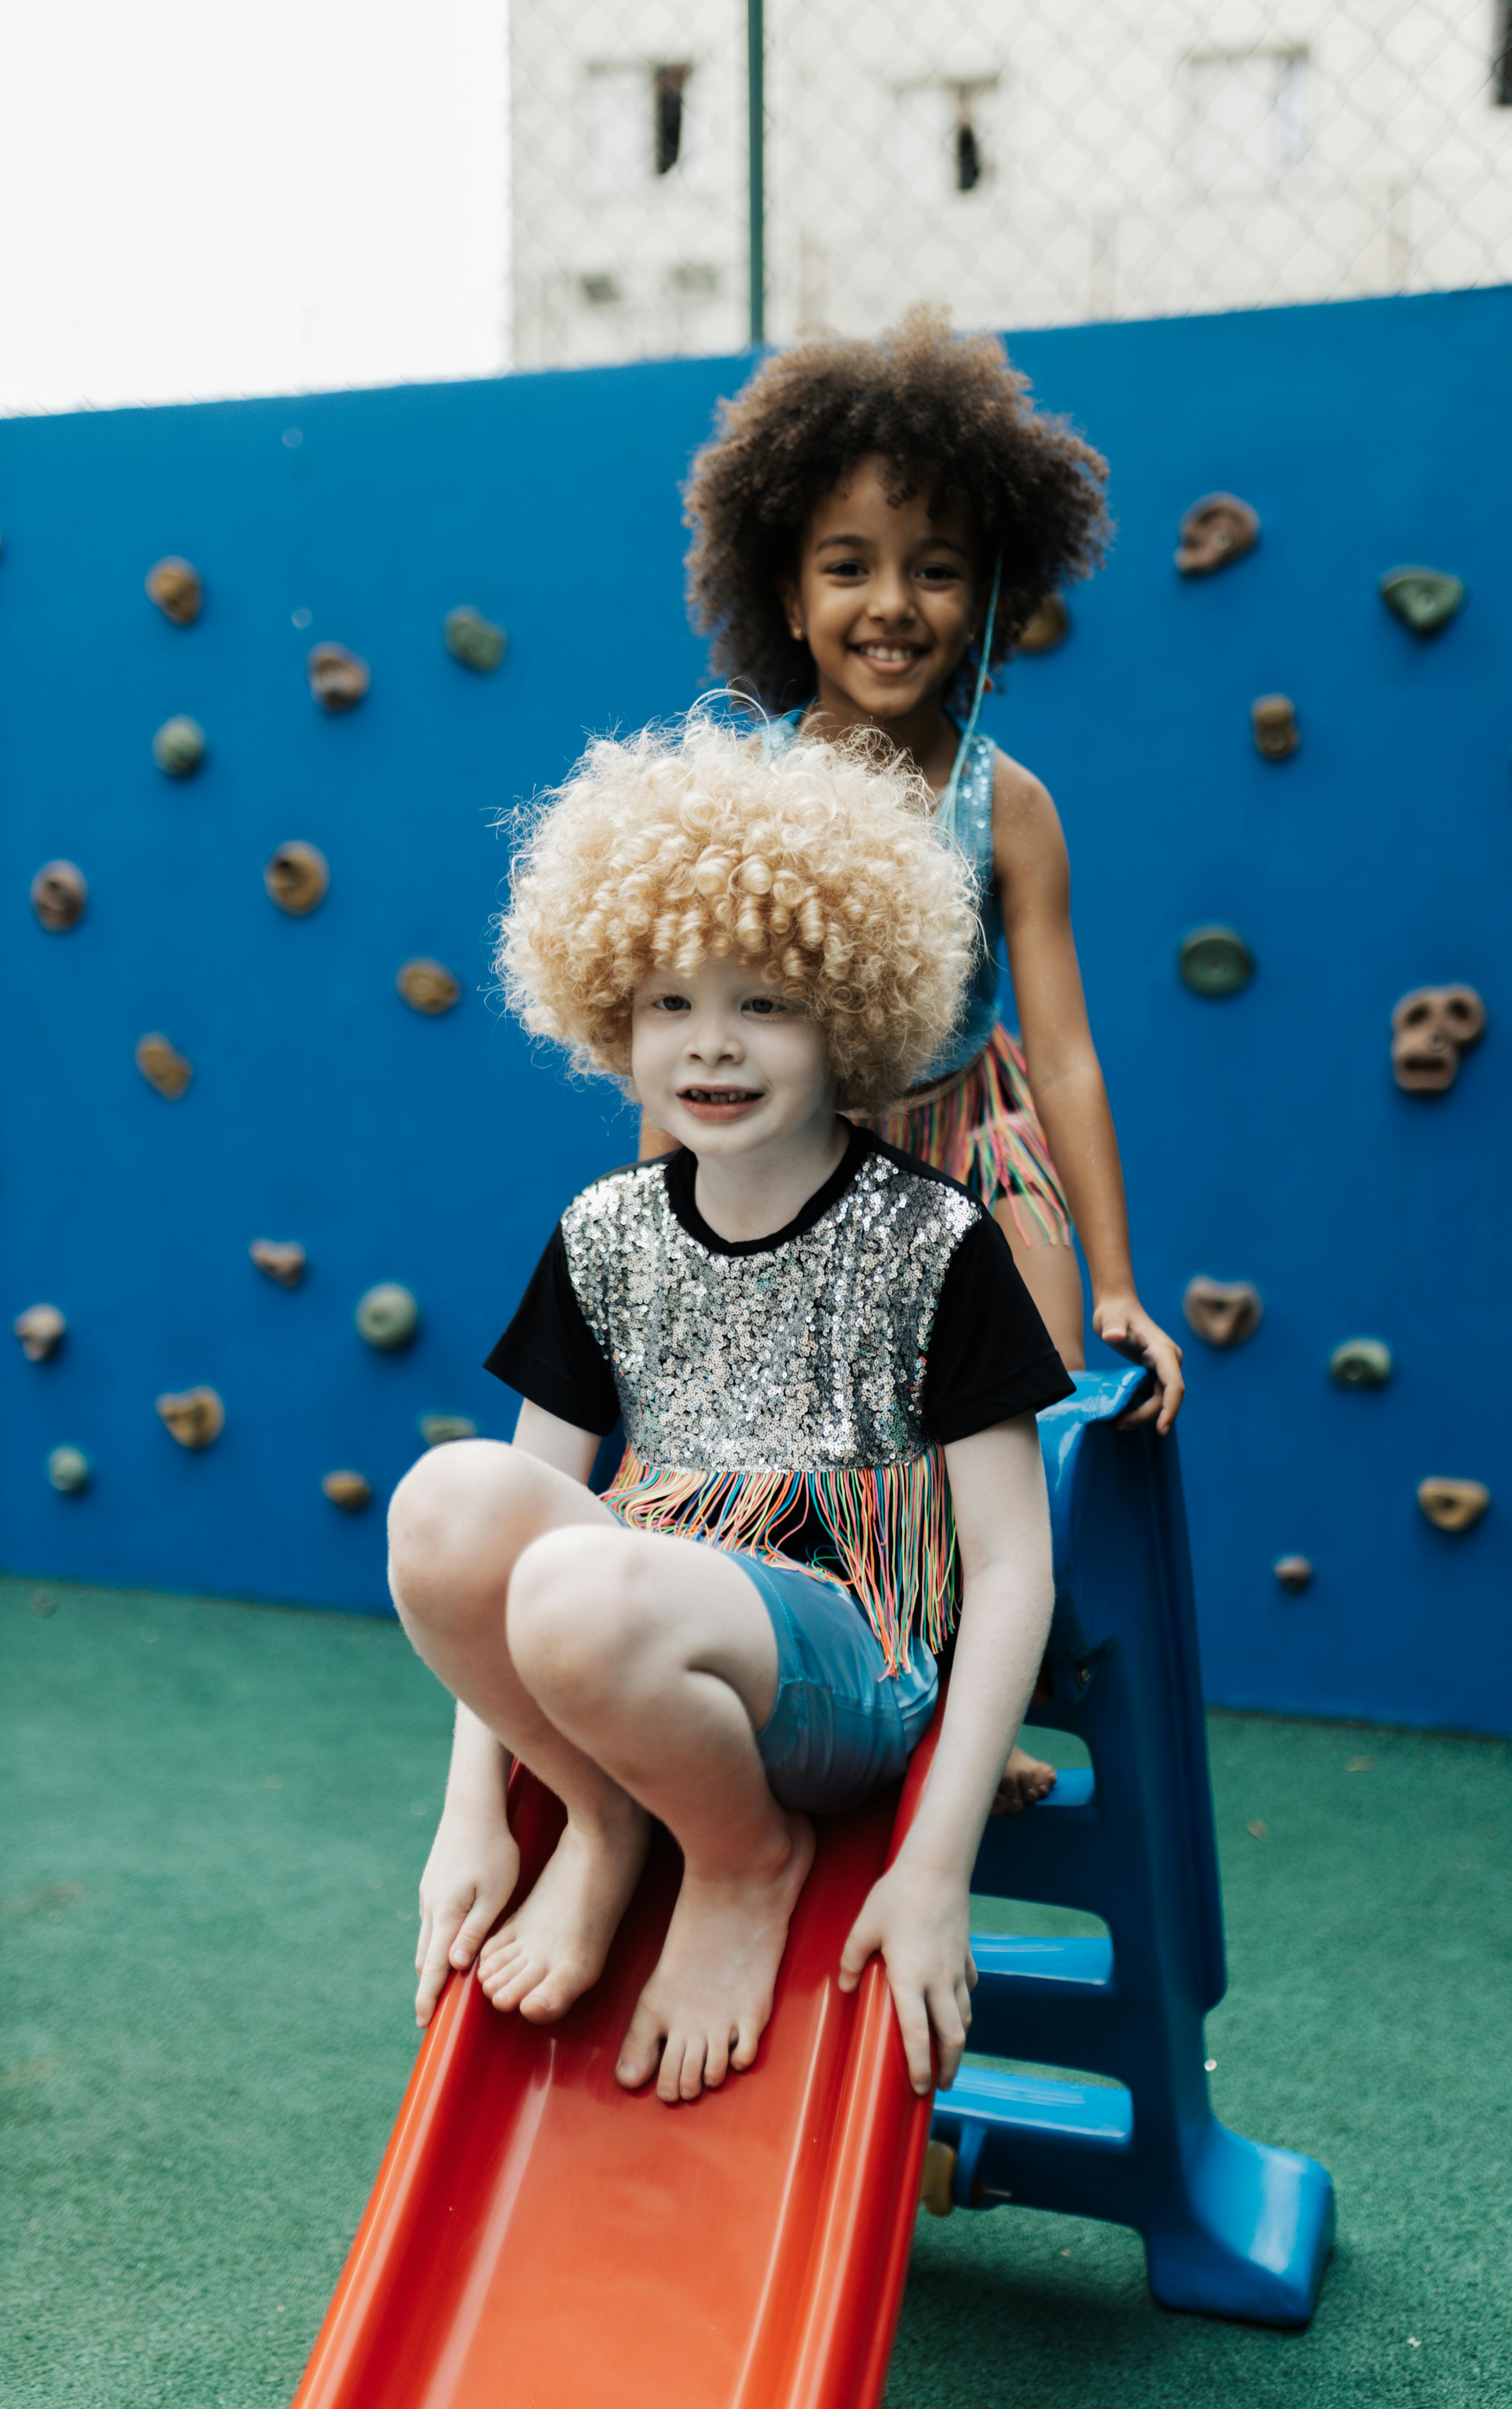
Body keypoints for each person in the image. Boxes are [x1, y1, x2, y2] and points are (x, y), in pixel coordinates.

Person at [387, 716, 1072, 2107]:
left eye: (767, 1001)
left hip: (842, 1664)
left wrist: (933, 1868)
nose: (712, 1046)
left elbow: (1011, 1565)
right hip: (634, 1635)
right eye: (669, 1004)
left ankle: (745, 1855)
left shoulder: (933, 1240)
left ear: (852, 1009)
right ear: (610, 1015)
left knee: (577, 1583)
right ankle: (602, 1813)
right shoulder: (605, 1233)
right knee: (446, 1505)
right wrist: (474, 1816)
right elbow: (526, 1518)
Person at [658, 307, 1185, 1811]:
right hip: (805, 1167)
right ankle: (848, 1678)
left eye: (936, 568)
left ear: (994, 591)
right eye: (849, 566)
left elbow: (1067, 1056)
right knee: (783, 1414)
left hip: (971, 1139)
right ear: (784, 585)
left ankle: (968, 1692)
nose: (893, 604)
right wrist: (669, 1234)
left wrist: (1125, 1278)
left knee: (1006, 1393)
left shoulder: (1006, 804)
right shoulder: (745, 794)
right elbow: (690, 1042)